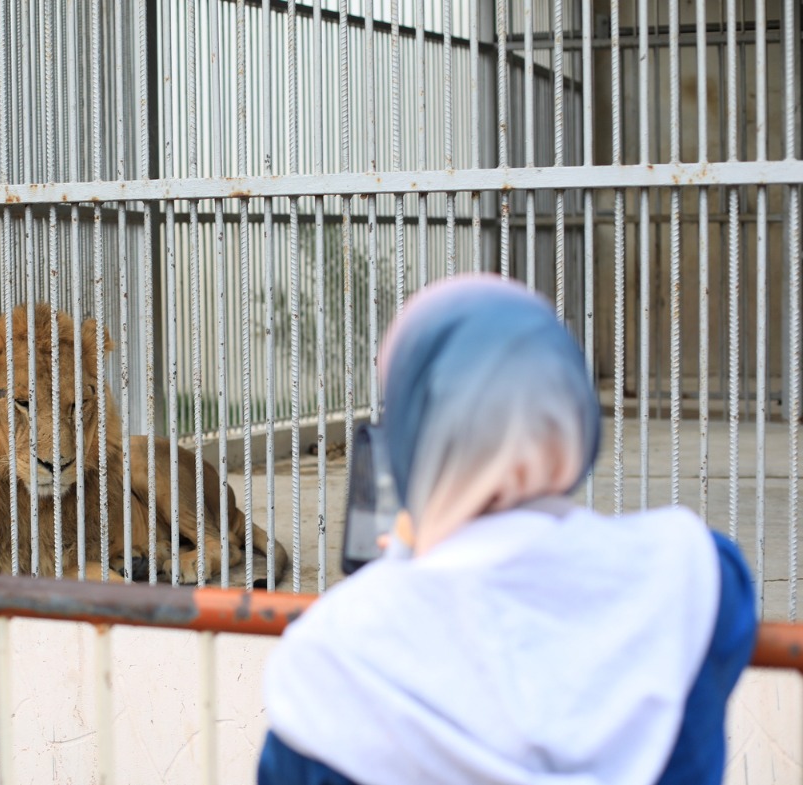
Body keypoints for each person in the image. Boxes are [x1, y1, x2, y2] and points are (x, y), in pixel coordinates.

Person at [259, 274, 757, 785]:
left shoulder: (336, 664)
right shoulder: (694, 577)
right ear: (574, 415)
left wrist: (404, 565)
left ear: (412, 433)